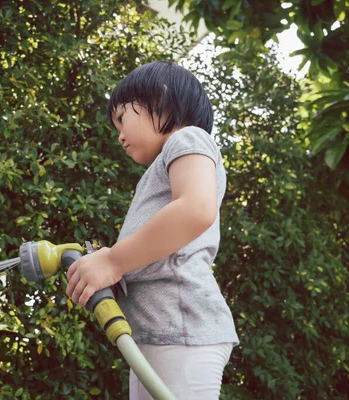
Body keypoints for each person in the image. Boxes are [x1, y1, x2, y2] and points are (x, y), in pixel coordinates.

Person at [65, 61, 239, 400]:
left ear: (159, 100)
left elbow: (196, 208)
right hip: (161, 333)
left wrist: (114, 262)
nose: (119, 134)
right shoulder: (162, 168)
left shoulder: (188, 138)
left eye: (122, 118)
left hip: (183, 329)